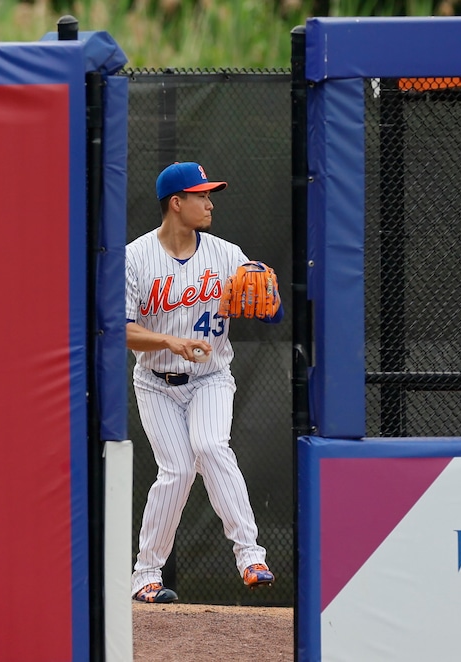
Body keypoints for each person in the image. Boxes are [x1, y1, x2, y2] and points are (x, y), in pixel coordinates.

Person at [126, 161, 284, 603]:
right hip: (156, 382)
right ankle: (146, 576)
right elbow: (119, 327)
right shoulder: (135, 257)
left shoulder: (227, 254)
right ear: (177, 204)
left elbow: (273, 313)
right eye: (202, 196)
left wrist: (269, 303)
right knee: (176, 471)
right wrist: (169, 342)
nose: (210, 203)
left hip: (211, 377)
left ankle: (250, 554)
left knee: (211, 447)